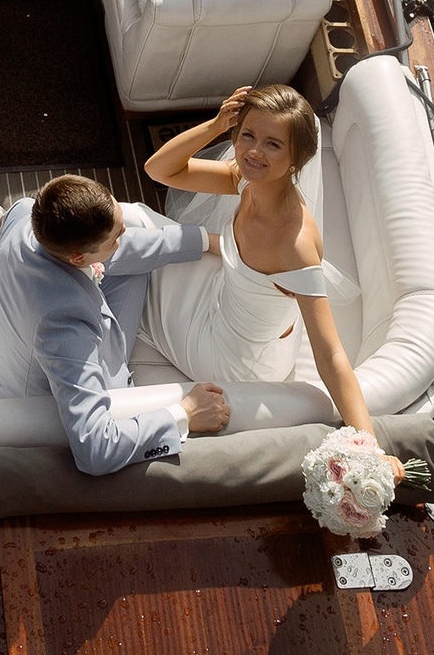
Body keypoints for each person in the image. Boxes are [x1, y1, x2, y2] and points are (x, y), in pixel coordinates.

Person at [141, 84, 418, 481]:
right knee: (144, 233)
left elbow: (331, 356)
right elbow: (159, 169)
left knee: (142, 252)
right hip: (230, 308)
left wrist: (370, 446)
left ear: (296, 158)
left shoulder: (295, 245)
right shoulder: (247, 180)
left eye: (273, 144)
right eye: (247, 135)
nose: (254, 152)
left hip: (231, 359)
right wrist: (216, 125)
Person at [0, 175, 234, 475]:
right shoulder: (64, 326)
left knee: (24, 211)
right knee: (132, 266)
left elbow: (125, 248)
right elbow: (96, 450)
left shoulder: (27, 220)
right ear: (77, 257)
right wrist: (183, 414)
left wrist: (205, 240)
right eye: (116, 237)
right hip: (22, 396)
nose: (123, 236)